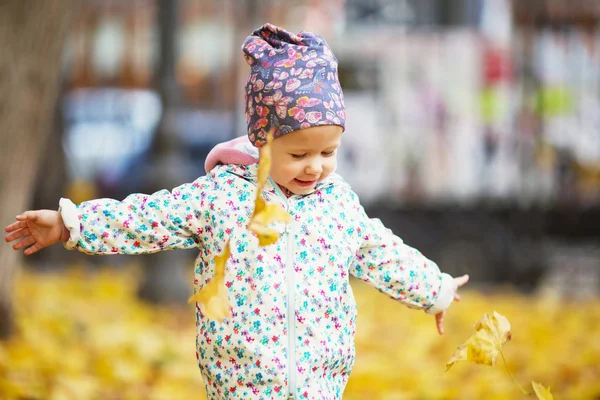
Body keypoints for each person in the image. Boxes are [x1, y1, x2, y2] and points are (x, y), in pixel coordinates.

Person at [5, 23, 468, 400]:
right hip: (238, 382)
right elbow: (151, 217)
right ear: (261, 141)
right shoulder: (222, 196)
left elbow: (380, 250)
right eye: (299, 153)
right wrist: (74, 223)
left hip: (321, 383)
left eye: (328, 152)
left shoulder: (338, 203)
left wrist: (435, 289)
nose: (315, 166)